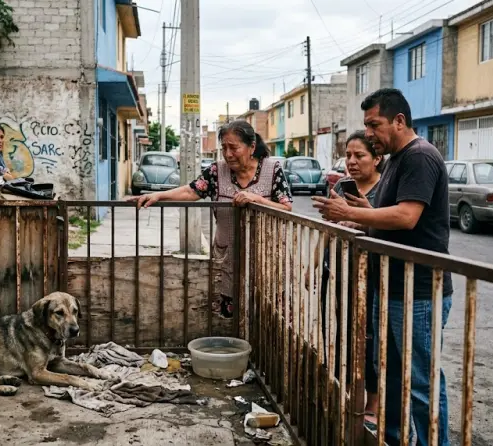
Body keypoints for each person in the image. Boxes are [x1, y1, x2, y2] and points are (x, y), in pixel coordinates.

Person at [312, 88, 452, 446]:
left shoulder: (420, 156)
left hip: (417, 289)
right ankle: (390, 438)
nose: (369, 133)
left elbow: (407, 217)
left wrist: (351, 213)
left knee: (419, 380)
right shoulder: (395, 160)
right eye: (366, 125)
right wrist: (363, 221)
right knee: (388, 374)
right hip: (388, 286)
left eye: (374, 124)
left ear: (399, 121)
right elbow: (385, 219)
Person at [128, 120, 293, 318]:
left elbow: (286, 207)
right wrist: (158, 196)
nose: (228, 154)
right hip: (228, 258)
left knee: (268, 316)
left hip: (266, 259)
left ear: (251, 147)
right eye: (224, 147)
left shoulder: (272, 169)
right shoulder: (217, 171)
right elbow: (191, 191)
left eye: (234, 147)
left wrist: (256, 199)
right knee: (230, 318)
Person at [316, 131, 384, 432]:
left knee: (370, 336)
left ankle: (373, 402)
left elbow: (385, 228)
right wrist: (316, 263)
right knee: (345, 331)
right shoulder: (343, 186)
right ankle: (350, 392)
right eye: (349, 155)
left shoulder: (385, 190)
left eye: (360, 156)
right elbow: (328, 227)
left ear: (377, 158)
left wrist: (360, 219)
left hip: (372, 273)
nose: (352, 162)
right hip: (340, 268)